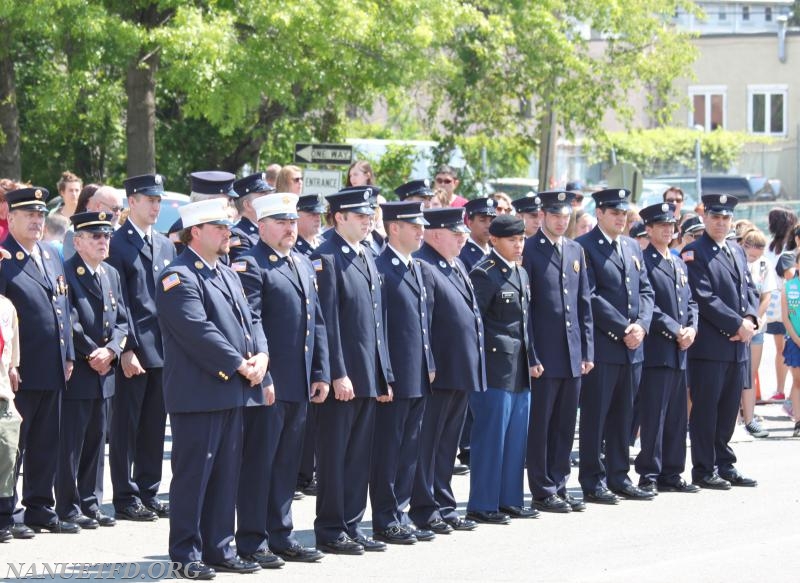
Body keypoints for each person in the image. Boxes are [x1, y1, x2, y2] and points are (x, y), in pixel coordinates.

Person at [156, 197, 269, 579]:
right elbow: (197, 331)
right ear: (196, 232)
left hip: (233, 390)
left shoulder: (226, 273)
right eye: (220, 228)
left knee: (226, 474)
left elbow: (250, 320)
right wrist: (239, 364)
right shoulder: (178, 276)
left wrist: (262, 358)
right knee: (194, 477)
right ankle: (186, 554)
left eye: (228, 227)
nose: (228, 234)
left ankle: (219, 548)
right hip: (199, 393)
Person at [235, 192, 328, 565]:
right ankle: (253, 539)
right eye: (281, 222)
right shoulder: (250, 263)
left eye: (293, 221)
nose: (290, 228)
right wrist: (266, 375)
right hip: (269, 384)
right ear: (261, 227)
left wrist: (320, 371)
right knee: (261, 462)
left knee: (288, 463)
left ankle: (281, 533)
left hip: (300, 383)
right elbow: (251, 323)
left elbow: (315, 322)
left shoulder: (303, 263)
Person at [311, 186, 394, 555]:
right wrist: (337, 373)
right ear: (339, 217)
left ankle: (351, 522)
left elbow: (376, 323)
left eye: (369, 215)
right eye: (360, 216)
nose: (368, 220)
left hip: (367, 374)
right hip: (343, 377)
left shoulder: (367, 253)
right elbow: (327, 323)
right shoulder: (326, 257)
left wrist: (383, 374)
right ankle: (330, 527)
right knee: (335, 455)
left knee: (359, 454)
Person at [0, 186, 76, 534]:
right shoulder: (4, 260)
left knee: (47, 442)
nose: (36, 221)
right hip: (20, 370)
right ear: (10, 217)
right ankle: (6, 510)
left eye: (40, 215)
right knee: (14, 444)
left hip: (53, 366)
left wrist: (69, 354)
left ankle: (40, 507)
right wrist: (8, 364)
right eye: (29, 215)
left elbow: (63, 307)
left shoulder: (50, 254)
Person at [576, 188, 655, 504]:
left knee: (624, 416)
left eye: (624, 213)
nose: (621, 218)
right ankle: (592, 479)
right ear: (599, 213)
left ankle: (619, 475)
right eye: (614, 213)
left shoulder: (632, 246)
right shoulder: (584, 247)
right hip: (606, 346)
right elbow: (590, 296)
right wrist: (624, 328)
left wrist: (642, 326)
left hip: (632, 347)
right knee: (596, 417)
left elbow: (646, 292)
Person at [410, 207, 484, 535]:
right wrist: (430, 365)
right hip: (440, 372)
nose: (463, 238)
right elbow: (423, 323)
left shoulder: (455, 264)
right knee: (429, 444)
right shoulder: (426, 265)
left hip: (460, 370)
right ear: (436, 234)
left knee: (447, 444)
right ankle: (425, 508)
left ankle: (444, 502)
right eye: (456, 234)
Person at [107, 174, 175, 522]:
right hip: (134, 349)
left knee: (153, 424)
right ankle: (124, 494)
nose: (155, 206)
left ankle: (148, 490)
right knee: (126, 427)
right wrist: (128, 348)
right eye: (149, 200)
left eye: (158, 200)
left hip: (163, 348)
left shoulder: (164, 244)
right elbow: (119, 302)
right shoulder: (117, 244)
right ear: (131, 201)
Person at [681, 194, 759, 490]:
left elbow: (749, 289)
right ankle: (703, 468)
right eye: (716, 217)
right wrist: (737, 323)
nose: (721, 223)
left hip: (738, 344)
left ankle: (724, 463)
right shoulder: (694, 252)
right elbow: (703, 297)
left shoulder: (737, 252)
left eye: (726, 218)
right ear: (705, 218)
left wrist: (750, 320)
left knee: (728, 409)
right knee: (706, 410)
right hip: (711, 347)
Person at [522, 191, 593, 513]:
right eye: (555, 216)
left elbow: (583, 305)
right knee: (542, 425)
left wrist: (587, 350)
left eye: (566, 216)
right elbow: (527, 309)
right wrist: (532, 355)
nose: (561, 221)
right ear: (542, 216)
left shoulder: (575, 249)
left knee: (565, 425)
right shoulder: (531, 250)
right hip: (545, 354)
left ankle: (560, 483)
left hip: (572, 352)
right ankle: (543, 488)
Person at [56, 212, 128, 529]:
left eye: (106, 236)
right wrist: (93, 353)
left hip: (106, 371)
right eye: (96, 236)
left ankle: (91, 501)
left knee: (98, 441)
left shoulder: (110, 273)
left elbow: (124, 321)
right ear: (78, 242)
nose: (103, 241)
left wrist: (112, 350)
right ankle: (68, 506)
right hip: (83, 370)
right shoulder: (66, 273)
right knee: (72, 442)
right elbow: (67, 321)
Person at [370, 201, 435, 545]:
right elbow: (380, 329)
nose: (421, 231)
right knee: (388, 450)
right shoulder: (381, 268)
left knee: (409, 450)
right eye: (414, 225)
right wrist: (385, 374)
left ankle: (401, 512)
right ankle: (385, 517)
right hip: (394, 377)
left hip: (418, 374)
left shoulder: (416, 268)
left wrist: (431, 364)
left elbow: (422, 325)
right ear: (394, 228)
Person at [466, 215, 537, 524]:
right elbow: (475, 323)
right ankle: (483, 503)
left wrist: (532, 358)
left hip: (519, 367)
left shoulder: (520, 272)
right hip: (494, 368)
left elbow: (524, 324)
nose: (518, 245)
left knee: (516, 438)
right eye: (512, 240)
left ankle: (509, 499)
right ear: (494, 240)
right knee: (491, 437)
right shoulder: (484, 273)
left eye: (521, 239)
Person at [633, 203, 700, 495]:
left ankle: (672, 471)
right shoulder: (644, 261)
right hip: (658, 349)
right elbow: (648, 307)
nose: (667, 230)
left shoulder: (677, 262)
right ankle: (649, 472)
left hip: (680, 350)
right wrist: (675, 329)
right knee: (654, 416)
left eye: (671, 225)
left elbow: (691, 302)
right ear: (648, 229)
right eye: (661, 225)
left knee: (676, 416)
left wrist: (692, 328)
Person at [740, 228, 775, 437]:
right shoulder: (736, 260)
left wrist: (756, 319)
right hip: (736, 325)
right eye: (751, 254)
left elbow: (766, 296)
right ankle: (734, 419)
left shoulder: (764, 265)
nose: (753, 259)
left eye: (757, 255)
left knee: (750, 373)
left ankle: (750, 418)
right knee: (734, 374)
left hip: (757, 326)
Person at [764, 208, 797, 402]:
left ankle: (780, 388)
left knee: (780, 348)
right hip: (789, 302)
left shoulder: (769, 247)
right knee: (790, 347)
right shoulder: (790, 250)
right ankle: (790, 391)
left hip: (773, 303)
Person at [0, 250, 21, 543]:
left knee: (6, 454)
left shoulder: (6, 307)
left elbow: (11, 359)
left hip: (2, 395)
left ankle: (4, 518)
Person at [63, 185, 125, 260]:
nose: (118, 213)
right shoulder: (74, 232)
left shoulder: (122, 231)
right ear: (99, 206)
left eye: (121, 209)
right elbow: (72, 268)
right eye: (114, 209)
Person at [229, 172, 275, 262]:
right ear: (247, 205)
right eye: (263, 195)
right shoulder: (237, 235)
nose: (269, 199)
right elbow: (247, 268)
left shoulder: (269, 229)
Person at [781, 252, 800, 436]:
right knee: (798, 381)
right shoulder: (789, 287)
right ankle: (798, 422)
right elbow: (785, 317)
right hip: (795, 341)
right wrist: (796, 339)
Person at [460, 197, 497, 271]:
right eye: (482, 220)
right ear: (470, 223)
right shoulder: (462, 254)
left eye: (492, 220)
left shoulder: (496, 252)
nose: (488, 225)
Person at [294, 194, 326, 259]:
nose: (318, 219)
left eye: (319, 214)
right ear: (297, 216)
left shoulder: (325, 243)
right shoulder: (292, 248)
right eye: (313, 214)